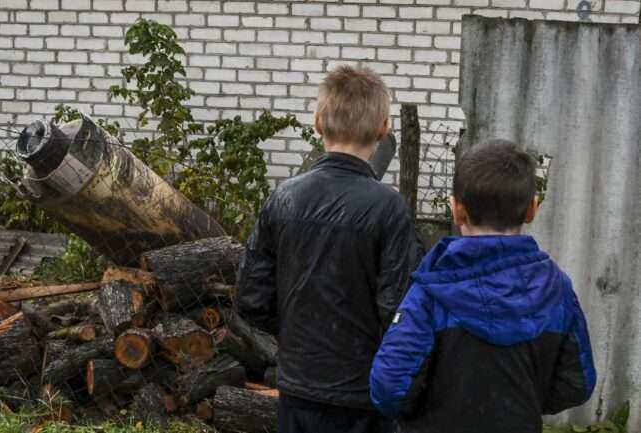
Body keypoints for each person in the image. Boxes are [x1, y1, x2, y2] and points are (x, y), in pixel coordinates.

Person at [235, 64, 420, 433]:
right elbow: (398, 309)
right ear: (384, 129)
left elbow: (251, 299)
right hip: (365, 394)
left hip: (299, 388)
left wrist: (298, 330)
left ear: (318, 122)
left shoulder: (284, 199)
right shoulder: (389, 209)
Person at [369, 140, 596, 433]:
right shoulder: (557, 291)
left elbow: (390, 388)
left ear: (457, 210)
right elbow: (576, 383)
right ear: (532, 209)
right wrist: (525, 402)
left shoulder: (431, 292)